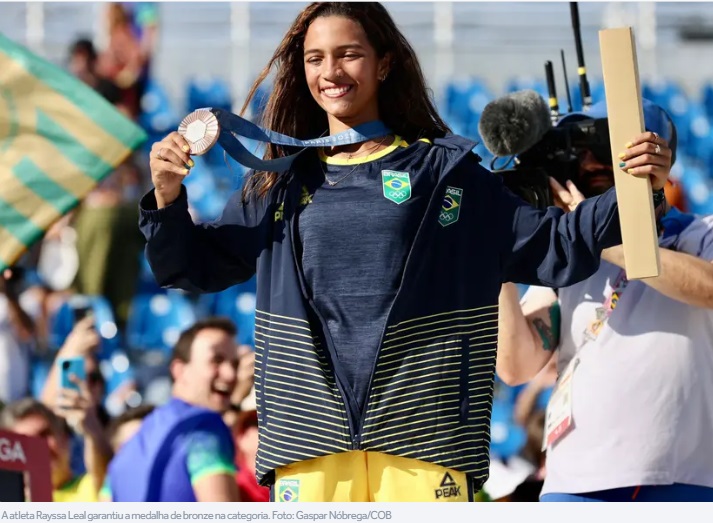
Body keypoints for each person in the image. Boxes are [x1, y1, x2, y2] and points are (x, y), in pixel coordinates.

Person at [140, 2, 672, 502]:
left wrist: (638, 185)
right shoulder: (277, 184)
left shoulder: (445, 175)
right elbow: (194, 267)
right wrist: (166, 195)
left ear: (385, 63)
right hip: (308, 443)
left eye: (349, 53)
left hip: (427, 435)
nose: (331, 71)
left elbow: (556, 244)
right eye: (315, 58)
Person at [497, 99, 713, 502]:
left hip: (684, 478)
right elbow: (515, 366)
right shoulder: (564, 256)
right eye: (580, 153)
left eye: (607, 149)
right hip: (575, 484)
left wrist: (593, 234)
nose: (592, 162)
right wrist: (498, 258)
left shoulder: (699, 233)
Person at [101, 318, 241, 501]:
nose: (231, 375)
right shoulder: (204, 428)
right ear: (179, 370)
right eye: (217, 360)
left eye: (235, 364)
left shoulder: (131, 445)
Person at [0, 398, 103, 502]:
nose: (38, 449)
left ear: (64, 436)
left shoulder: (94, 486)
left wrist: (93, 430)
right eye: (26, 443)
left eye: (44, 435)